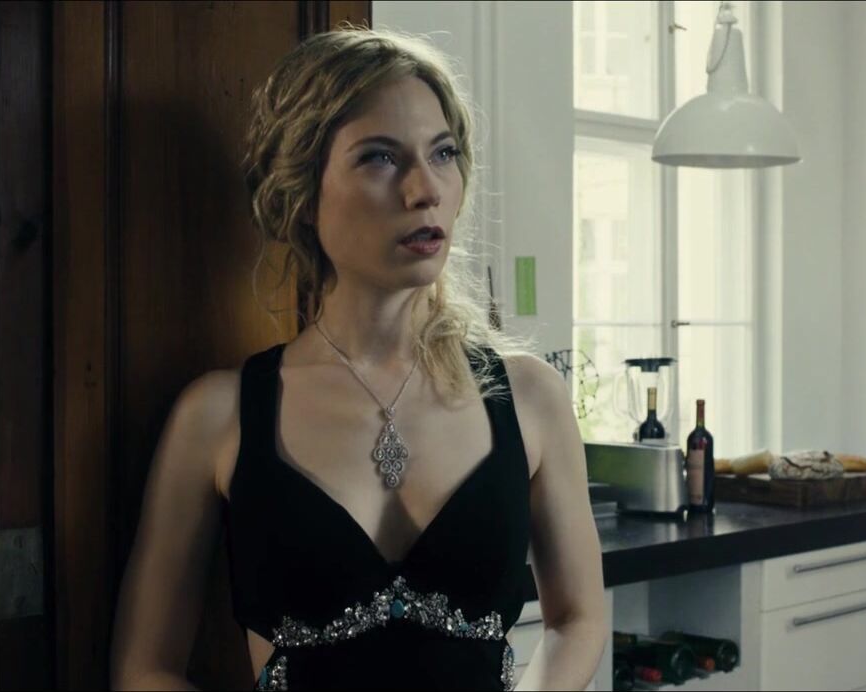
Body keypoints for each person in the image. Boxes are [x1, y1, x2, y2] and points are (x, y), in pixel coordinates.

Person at [109, 25, 606, 691]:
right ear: (302, 193)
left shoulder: (531, 397)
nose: (425, 189)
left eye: (443, 153)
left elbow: (578, 618)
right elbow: (144, 669)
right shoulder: (219, 415)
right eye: (379, 158)